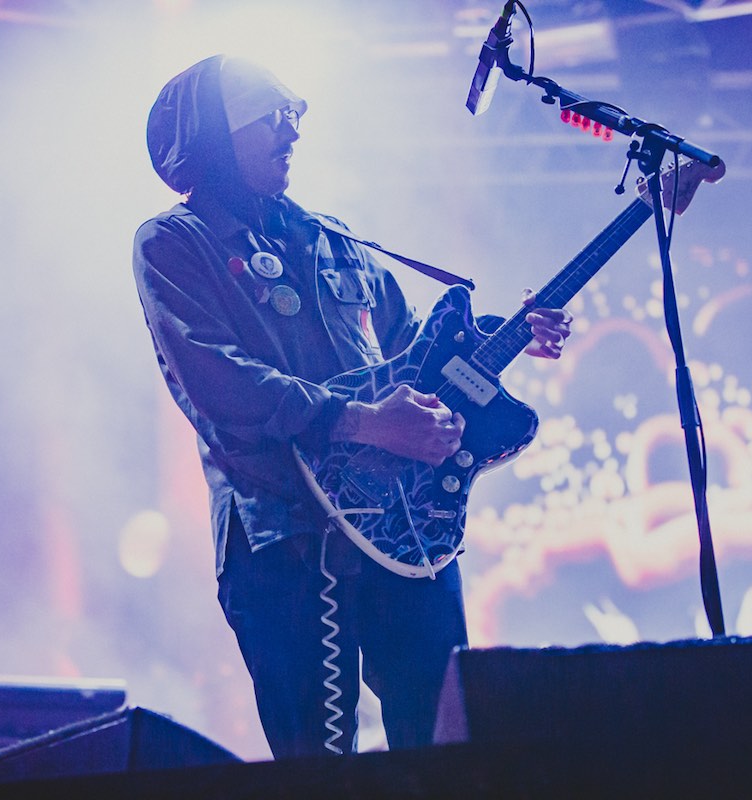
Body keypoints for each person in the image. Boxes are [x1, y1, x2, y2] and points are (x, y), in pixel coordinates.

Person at [132, 55, 572, 759]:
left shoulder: (331, 237)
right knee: (315, 764)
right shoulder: (173, 243)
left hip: (402, 523)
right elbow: (218, 382)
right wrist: (365, 423)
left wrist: (507, 334)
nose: (292, 131)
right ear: (215, 136)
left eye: (293, 116)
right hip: (280, 535)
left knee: (444, 742)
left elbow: (417, 355)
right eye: (270, 117)